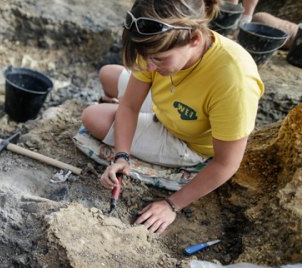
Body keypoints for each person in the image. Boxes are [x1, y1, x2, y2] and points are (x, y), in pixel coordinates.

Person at [82, 0, 264, 233]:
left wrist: (172, 204)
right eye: (145, 57)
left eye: (159, 59)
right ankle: (141, 116)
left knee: (93, 116)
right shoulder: (152, 39)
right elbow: (128, 106)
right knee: (108, 73)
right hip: (170, 106)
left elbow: (226, 163)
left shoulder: (233, 81)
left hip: (188, 142)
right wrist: (122, 156)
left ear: (195, 39)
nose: (148, 67)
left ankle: (142, 122)